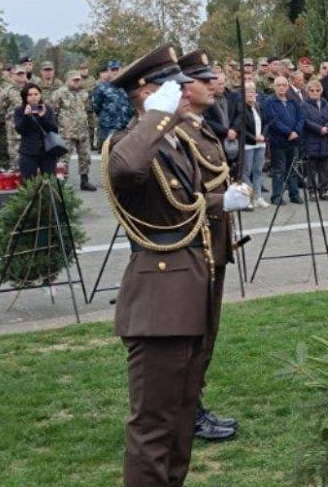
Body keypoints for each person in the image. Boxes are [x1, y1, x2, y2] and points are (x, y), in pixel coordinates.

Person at [104, 45, 251, 486]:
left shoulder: (174, 141)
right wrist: (155, 117)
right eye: (175, 87)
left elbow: (186, 202)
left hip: (192, 289)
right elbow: (126, 170)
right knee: (153, 427)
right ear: (149, 92)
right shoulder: (132, 141)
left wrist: (224, 200)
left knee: (182, 419)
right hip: (159, 301)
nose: (186, 92)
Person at [175, 50, 240, 442]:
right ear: (185, 87)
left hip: (213, 243)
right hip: (195, 247)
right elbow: (182, 196)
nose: (214, 83)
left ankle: (193, 407)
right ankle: (187, 413)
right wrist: (222, 201)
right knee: (193, 336)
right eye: (204, 78)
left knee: (207, 333)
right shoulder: (178, 132)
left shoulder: (200, 126)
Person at [48, 71, 96, 190]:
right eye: (74, 80)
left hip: (82, 132)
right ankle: (61, 183)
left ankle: (84, 181)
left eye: (79, 79)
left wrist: (90, 128)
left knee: (85, 157)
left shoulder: (84, 93)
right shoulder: (59, 93)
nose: (77, 82)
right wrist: (54, 130)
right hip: (66, 133)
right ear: (67, 80)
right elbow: (52, 113)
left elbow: (88, 111)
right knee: (63, 158)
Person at [264, 75, 305, 205]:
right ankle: (276, 196)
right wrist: (288, 132)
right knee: (278, 170)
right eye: (279, 85)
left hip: (294, 141)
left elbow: (301, 118)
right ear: (274, 87)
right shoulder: (269, 102)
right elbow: (273, 121)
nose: (281, 87)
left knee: (293, 169)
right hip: (279, 141)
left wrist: (296, 131)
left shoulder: (293, 102)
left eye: (284, 85)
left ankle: (294, 194)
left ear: (287, 86)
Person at [233, 81, 270, 209]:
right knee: (246, 172)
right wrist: (254, 138)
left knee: (258, 170)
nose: (251, 94)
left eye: (252, 91)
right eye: (248, 91)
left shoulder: (258, 106)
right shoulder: (240, 108)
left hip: (261, 144)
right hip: (248, 145)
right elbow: (241, 128)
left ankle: (258, 197)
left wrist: (263, 136)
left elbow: (266, 122)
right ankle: (248, 198)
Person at [14, 83, 62, 180]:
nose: (33, 97)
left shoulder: (47, 109)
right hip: (28, 151)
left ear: (40, 95)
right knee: (28, 182)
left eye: (36, 94)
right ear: (25, 97)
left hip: (47, 151)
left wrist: (42, 116)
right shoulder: (19, 110)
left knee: (49, 182)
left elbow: (53, 129)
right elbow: (20, 130)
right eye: (30, 95)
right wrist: (26, 116)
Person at [301, 79, 328, 200]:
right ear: (308, 91)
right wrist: (319, 128)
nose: (315, 92)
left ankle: (323, 191)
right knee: (311, 167)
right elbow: (305, 121)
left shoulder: (326, 103)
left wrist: (327, 126)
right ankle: (312, 191)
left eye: (317, 90)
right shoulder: (304, 105)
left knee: (324, 167)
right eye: (312, 90)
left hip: (324, 140)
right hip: (311, 139)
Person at [0, 65, 28, 169]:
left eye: (23, 73)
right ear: (12, 75)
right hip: (15, 134)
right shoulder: (7, 92)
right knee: (16, 163)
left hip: (31, 132)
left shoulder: (32, 89)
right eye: (19, 74)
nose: (22, 76)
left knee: (32, 162)